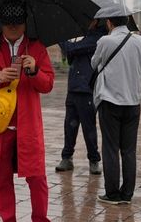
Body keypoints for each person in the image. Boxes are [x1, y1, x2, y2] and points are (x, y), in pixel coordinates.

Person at [0, 0, 54, 222]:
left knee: (37, 177)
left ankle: (40, 218)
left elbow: (47, 85)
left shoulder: (37, 47)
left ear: (25, 22)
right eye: (9, 23)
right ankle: (8, 219)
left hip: (28, 126)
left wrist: (35, 70)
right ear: (1, 23)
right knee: (2, 178)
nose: (13, 28)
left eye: (18, 23)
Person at [91, 15, 141, 205]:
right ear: (128, 21)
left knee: (110, 148)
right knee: (129, 150)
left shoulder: (105, 41)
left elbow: (94, 64)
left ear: (109, 22)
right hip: (133, 102)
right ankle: (127, 193)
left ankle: (112, 193)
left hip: (110, 101)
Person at [55, 20, 105, 175]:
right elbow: (71, 56)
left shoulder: (98, 37)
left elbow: (71, 49)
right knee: (69, 125)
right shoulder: (85, 35)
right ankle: (67, 157)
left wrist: (59, 37)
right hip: (73, 86)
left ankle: (94, 159)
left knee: (88, 126)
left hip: (87, 89)